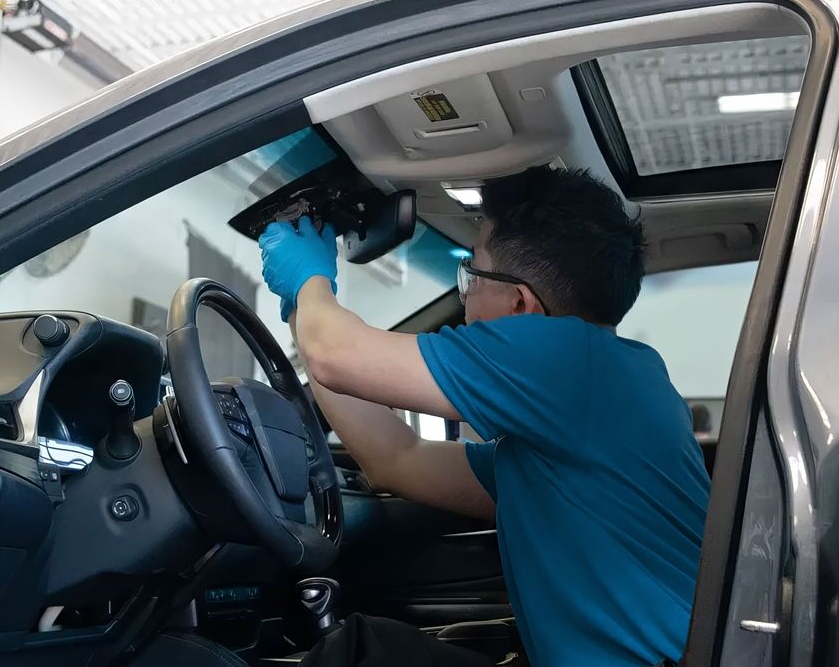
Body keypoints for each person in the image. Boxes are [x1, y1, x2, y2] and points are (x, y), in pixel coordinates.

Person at [258, 167, 711, 667]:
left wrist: (311, 282)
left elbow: (336, 355)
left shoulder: (566, 357)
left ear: (520, 304)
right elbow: (397, 458)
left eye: (471, 273)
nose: (465, 294)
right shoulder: (597, 392)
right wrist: (304, 309)